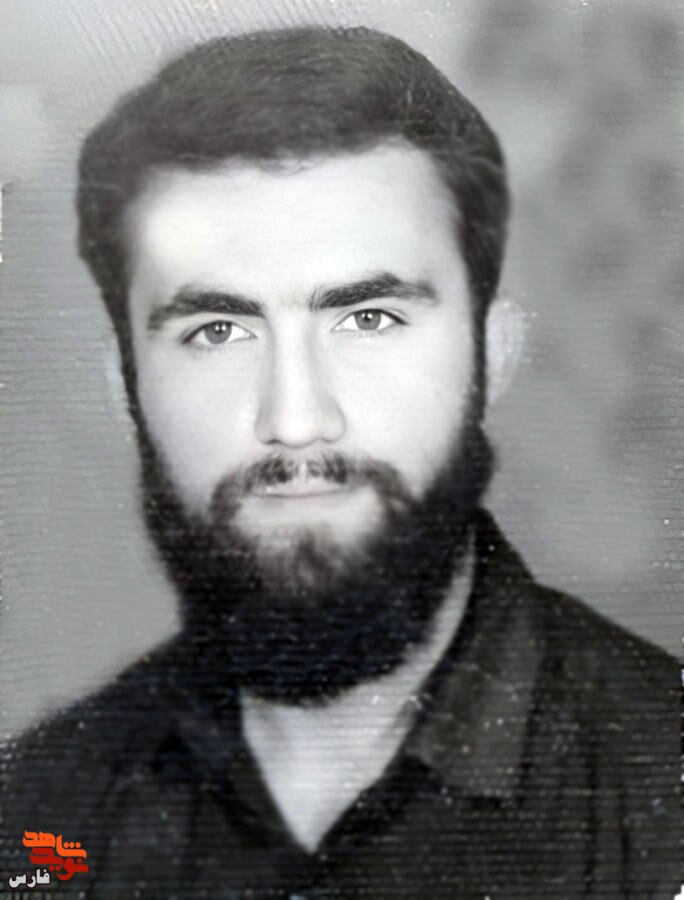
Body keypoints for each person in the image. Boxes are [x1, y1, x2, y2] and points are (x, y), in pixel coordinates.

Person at [1, 26, 679, 898]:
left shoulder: (665, 786)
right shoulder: (36, 815)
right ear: (125, 385)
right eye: (218, 331)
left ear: (495, 354)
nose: (295, 421)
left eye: (368, 320)